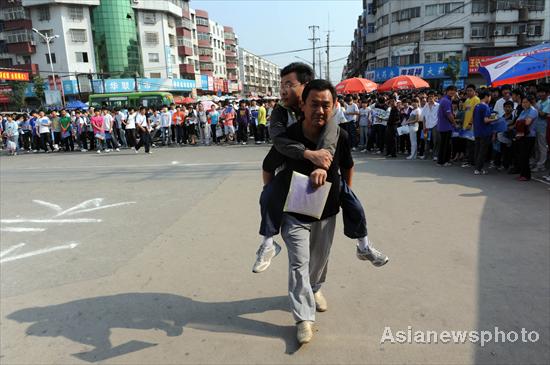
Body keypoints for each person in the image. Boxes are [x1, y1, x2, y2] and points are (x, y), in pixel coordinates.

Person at [253, 62, 387, 274]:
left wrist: (330, 174)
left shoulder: (327, 111)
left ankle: (362, 246)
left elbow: (334, 142)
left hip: (326, 190)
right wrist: (308, 154)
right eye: (281, 84)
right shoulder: (281, 112)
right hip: (292, 184)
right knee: (270, 200)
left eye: (289, 84)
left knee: (348, 213)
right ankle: (268, 244)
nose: (283, 89)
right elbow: (279, 143)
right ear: (305, 104)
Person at [472, 90, 495, 175]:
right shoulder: (485, 107)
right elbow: (486, 120)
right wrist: (494, 119)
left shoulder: (476, 106)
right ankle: (479, 169)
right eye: (490, 96)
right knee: (482, 151)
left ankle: (476, 168)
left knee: (477, 150)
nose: (490, 98)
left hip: (477, 131)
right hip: (485, 132)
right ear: (486, 96)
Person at [515, 96, 538, 181]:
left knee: (525, 156)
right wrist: (520, 122)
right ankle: (522, 174)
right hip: (521, 135)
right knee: (521, 156)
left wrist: (520, 122)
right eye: (523, 102)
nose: (524, 104)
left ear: (530, 102)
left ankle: (526, 175)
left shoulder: (533, 111)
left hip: (529, 136)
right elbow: (517, 121)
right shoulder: (523, 111)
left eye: (526, 102)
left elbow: (527, 123)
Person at [436, 86, 457, 167]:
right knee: (445, 145)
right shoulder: (446, 101)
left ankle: (441, 161)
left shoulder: (444, 100)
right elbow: (449, 115)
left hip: (443, 126)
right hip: (446, 126)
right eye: (450, 90)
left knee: (443, 144)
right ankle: (443, 161)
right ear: (446, 91)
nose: (452, 92)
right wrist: (454, 123)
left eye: (454, 90)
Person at [533, 86, 549, 172]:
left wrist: (535, 108)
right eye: (539, 92)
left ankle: (541, 165)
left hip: (543, 127)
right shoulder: (539, 101)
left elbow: (543, 115)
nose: (541, 94)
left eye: (543, 92)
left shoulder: (548, 102)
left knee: (542, 146)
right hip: (535, 126)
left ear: (547, 93)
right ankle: (537, 162)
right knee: (536, 146)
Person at [422, 92, 439, 160]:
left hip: (435, 126)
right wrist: (423, 126)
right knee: (426, 141)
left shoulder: (438, 105)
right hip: (426, 126)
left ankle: (435, 155)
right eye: (429, 97)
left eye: (432, 96)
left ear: (434, 97)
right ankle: (426, 155)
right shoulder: (425, 106)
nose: (430, 98)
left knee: (436, 141)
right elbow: (423, 117)